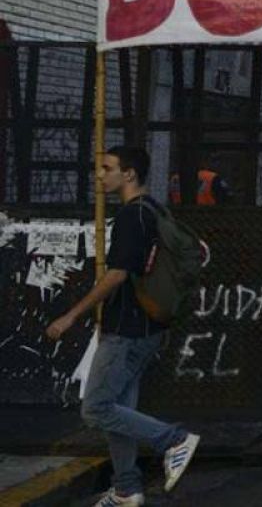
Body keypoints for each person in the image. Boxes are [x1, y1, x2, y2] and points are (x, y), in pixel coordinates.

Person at [46, 145, 200, 507]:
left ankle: (174, 440)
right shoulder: (154, 209)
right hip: (147, 328)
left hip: (128, 331)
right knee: (119, 412)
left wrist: (71, 316)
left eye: (107, 168)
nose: (100, 175)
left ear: (128, 174)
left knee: (97, 409)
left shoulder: (133, 217)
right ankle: (126, 489)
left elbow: (116, 275)